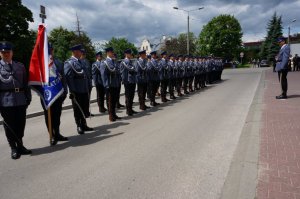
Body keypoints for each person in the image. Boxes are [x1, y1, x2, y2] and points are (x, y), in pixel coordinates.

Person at [0, 41, 32, 159]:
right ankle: (13, 148)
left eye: (8, 52)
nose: (6, 54)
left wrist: (28, 97)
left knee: (20, 124)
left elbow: (26, 83)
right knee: (9, 126)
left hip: (20, 99)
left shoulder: (20, 66)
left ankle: (20, 145)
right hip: (5, 101)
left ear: (12, 53)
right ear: (0, 54)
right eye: (3, 52)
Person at [41, 44, 68, 146]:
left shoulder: (58, 62)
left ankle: (57, 133)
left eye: (51, 49)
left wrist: (65, 91)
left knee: (57, 116)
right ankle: (51, 136)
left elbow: (63, 79)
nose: (50, 51)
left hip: (58, 94)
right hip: (46, 95)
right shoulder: (41, 63)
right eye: (47, 50)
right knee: (49, 117)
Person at [64, 44, 94, 134]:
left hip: (84, 88)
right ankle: (79, 125)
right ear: (75, 52)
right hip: (77, 89)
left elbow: (86, 75)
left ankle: (84, 124)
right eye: (80, 51)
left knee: (84, 107)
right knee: (77, 108)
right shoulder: (69, 63)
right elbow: (69, 77)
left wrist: (88, 85)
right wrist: (72, 91)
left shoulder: (81, 61)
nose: (81, 52)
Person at [100, 47, 122, 122]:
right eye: (111, 52)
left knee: (115, 100)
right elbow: (103, 75)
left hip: (115, 83)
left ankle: (114, 114)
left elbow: (118, 72)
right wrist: (106, 85)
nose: (113, 53)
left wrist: (118, 82)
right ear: (108, 53)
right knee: (110, 101)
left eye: (113, 52)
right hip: (109, 84)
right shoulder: (104, 62)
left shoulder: (114, 61)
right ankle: (111, 115)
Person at [120, 49, 138, 116]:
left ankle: (130, 109)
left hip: (132, 80)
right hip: (127, 81)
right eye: (130, 54)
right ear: (126, 54)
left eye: (131, 53)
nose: (131, 55)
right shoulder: (123, 62)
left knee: (132, 96)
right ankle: (128, 110)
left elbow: (134, 69)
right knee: (128, 96)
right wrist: (124, 81)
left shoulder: (130, 61)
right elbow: (122, 72)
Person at [80, 49, 94, 117]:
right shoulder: (79, 62)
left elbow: (90, 72)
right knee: (83, 100)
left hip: (88, 82)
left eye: (84, 54)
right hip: (83, 84)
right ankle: (84, 113)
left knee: (87, 99)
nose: (84, 55)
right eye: (83, 54)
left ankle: (87, 112)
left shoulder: (87, 61)